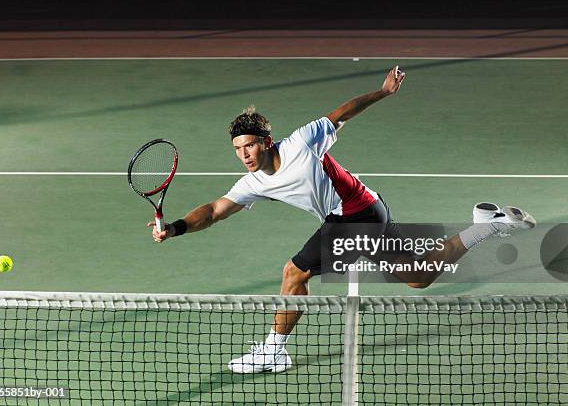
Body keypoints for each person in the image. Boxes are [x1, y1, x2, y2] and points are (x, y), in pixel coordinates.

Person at [148, 66, 536, 374]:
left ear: (266, 142)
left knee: (293, 272)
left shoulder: (303, 141)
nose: (245, 154)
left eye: (249, 145)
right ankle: (486, 225)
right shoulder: (252, 182)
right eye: (238, 149)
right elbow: (214, 211)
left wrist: (383, 92)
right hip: (371, 210)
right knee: (419, 277)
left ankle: (273, 350)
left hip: (355, 214)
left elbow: (343, 111)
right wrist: (176, 227)